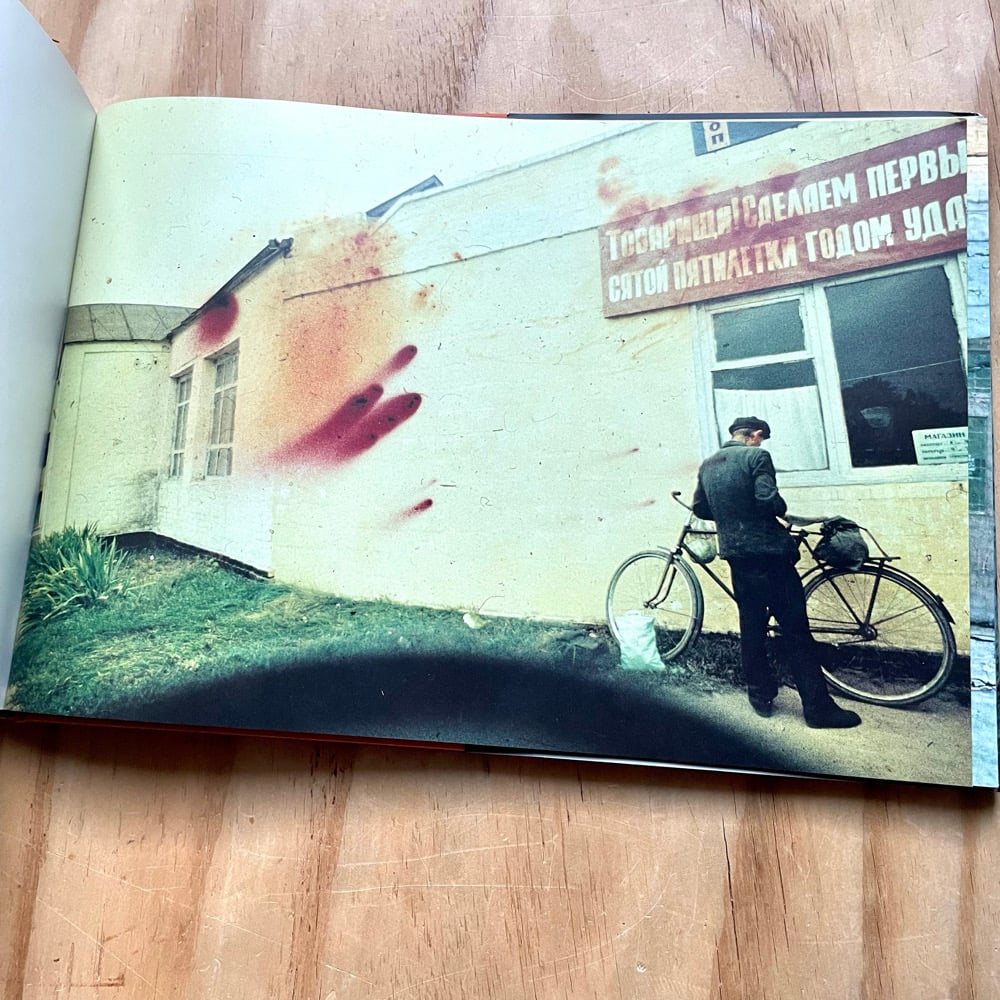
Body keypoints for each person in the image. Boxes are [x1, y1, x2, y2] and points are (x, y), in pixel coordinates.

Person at [692, 416, 861, 729]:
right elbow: (769, 500)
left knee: (752, 626)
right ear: (755, 435)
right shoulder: (757, 456)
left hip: (737, 555)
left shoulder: (709, 464)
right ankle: (818, 710)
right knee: (795, 630)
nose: (761, 443)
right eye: (762, 438)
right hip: (770, 555)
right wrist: (777, 508)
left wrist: (733, 514)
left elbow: (701, 509)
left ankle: (760, 696)